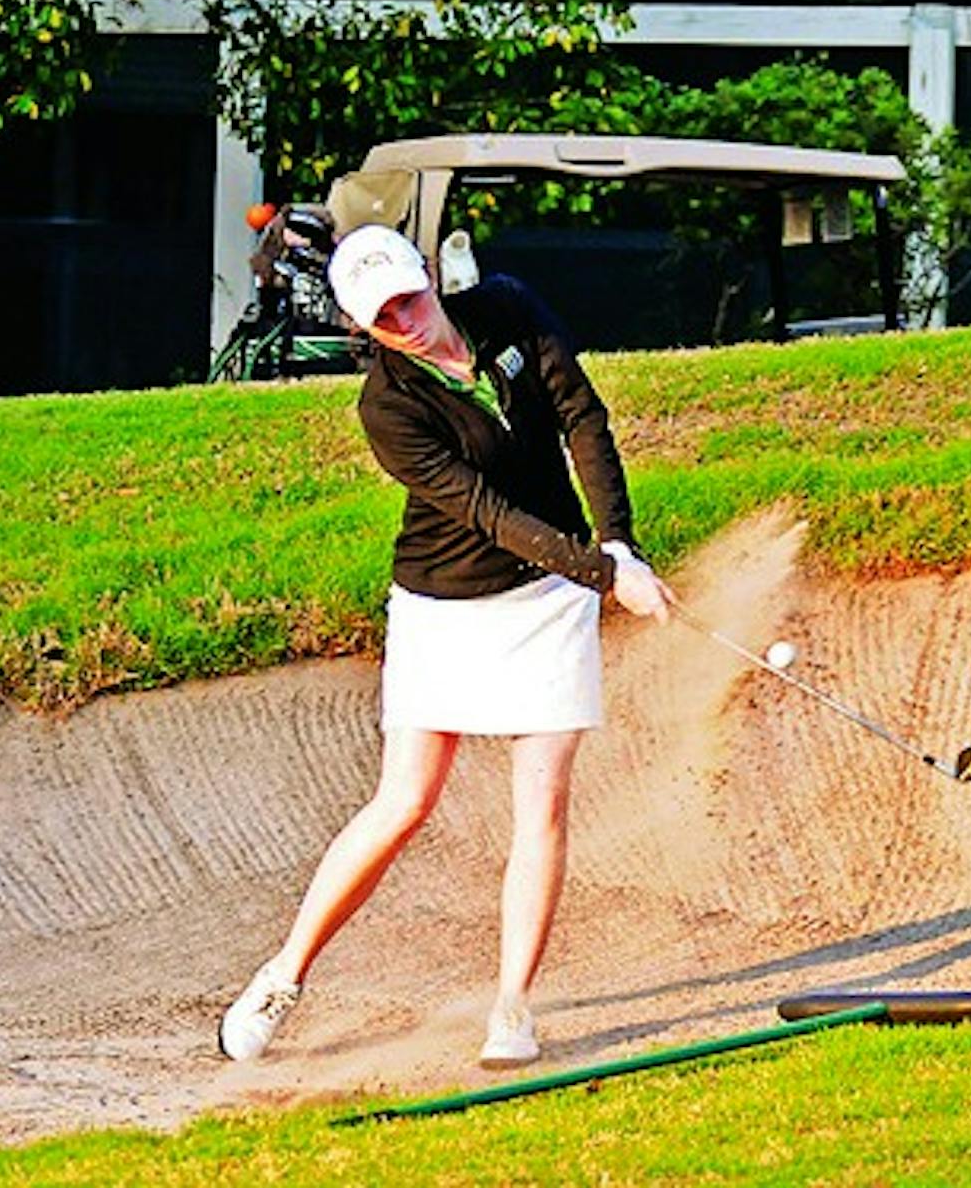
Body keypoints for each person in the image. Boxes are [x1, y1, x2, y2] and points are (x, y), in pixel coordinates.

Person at [218, 223, 674, 1068]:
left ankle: (511, 1007)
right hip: (445, 603)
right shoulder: (387, 405)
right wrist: (608, 577)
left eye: (410, 294)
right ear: (362, 325)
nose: (406, 317)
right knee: (405, 804)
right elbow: (487, 514)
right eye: (383, 315)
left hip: (550, 595)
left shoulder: (506, 308)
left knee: (541, 806)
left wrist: (619, 543)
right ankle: (283, 975)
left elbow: (581, 414)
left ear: (429, 274)